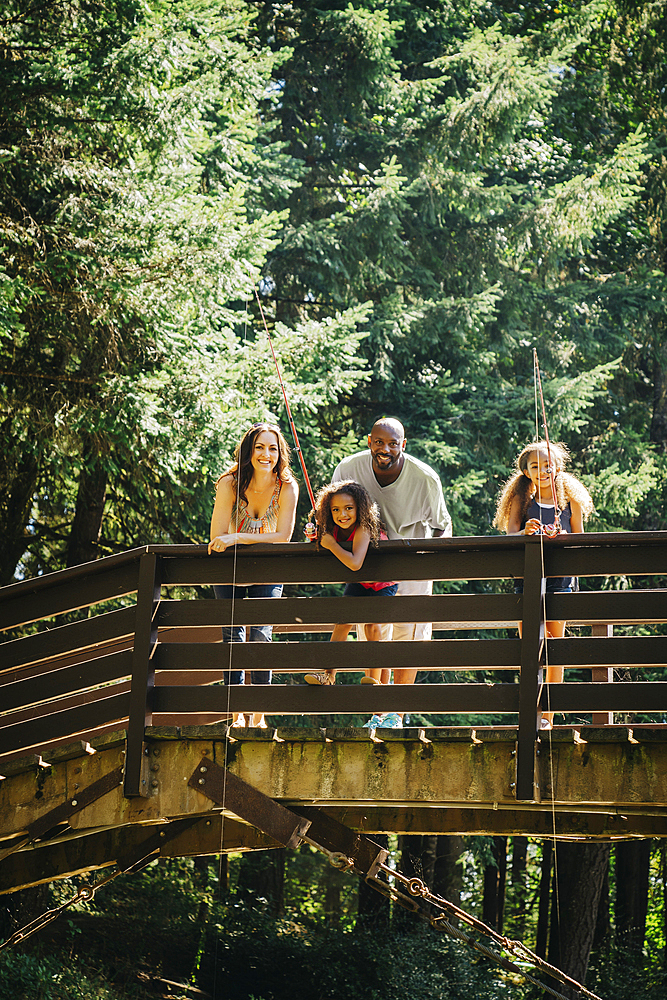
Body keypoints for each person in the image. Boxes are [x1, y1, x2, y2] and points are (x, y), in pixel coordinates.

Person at [331, 417, 452, 729]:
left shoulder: (425, 478)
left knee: (407, 635)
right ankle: (376, 712)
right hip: (369, 562)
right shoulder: (348, 468)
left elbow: (443, 527)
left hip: (414, 562)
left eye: (393, 443)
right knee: (371, 633)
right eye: (379, 442)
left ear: (404, 445)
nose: (385, 449)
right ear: (369, 441)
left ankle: (396, 713)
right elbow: (330, 510)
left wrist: (427, 565)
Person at [493, 440, 594, 729]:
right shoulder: (521, 501)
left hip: (560, 580)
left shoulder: (569, 500)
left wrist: (560, 535)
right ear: (526, 472)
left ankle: (548, 715)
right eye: (535, 466)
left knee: (554, 647)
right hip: (527, 579)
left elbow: (579, 539)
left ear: (558, 466)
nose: (543, 470)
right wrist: (526, 532)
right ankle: (530, 712)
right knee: (529, 647)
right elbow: (511, 535)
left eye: (548, 464)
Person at [208, 422, 298, 728]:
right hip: (229, 568)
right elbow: (217, 535)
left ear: (280, 453)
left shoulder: (287, 487)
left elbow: (284, 536)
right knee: (233, 637)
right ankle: (236, 717)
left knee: (261, 636)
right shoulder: (229, 484)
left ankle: (258, 717)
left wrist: (239, 538)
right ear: (249, 450)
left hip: (269, 569)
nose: (266, 454)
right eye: (259, 447)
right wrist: (232, 539)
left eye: (272, 448)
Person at [304, 480, 398, 711]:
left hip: (382, 583)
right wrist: (314, 534)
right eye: (335, 510)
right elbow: (321, 539)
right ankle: (328, 674)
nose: (342, 514)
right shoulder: (333, 528)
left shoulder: (365, 526)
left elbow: (355, 563)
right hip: (360, 583)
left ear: (360, 508)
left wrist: (332, 545)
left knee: (371, 625)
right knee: (342, 623)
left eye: (348, 508)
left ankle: (374, 679)